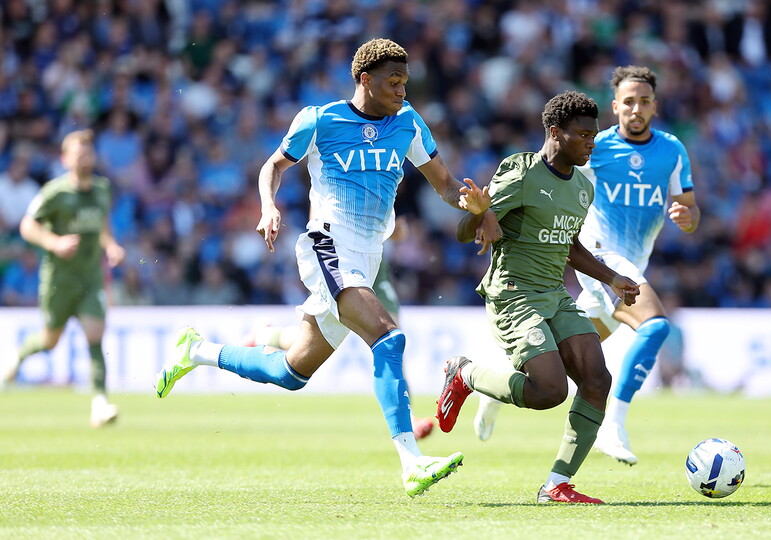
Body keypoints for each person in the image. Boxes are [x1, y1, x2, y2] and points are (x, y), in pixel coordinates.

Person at [153, 38, 492, 498]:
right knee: (389, 337)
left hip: (368, 257)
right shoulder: (320, 119)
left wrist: (469, 203)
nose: (402, 90)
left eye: (406, 82)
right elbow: (272, 166)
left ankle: (195, 351)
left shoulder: (408, 123)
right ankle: (411, 462)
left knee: (291, 373)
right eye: (393, 82)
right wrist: (268, 207)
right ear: (364, 79)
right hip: (327, 244)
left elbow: (446, 184)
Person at [472, 66, 700, 467]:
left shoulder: (672, 150)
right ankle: (615, 423)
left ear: (655, 107)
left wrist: (687, 216)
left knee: (571, 357)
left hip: (633, 262)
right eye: (628, 102)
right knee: (655, 324)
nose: (636, 109)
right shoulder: (594, 145)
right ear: (616, 106)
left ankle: (499, 387)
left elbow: (691, 209)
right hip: (600, 255)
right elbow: (551, 177)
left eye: (644, 102)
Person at [436, 91, 640, 504]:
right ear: (555, 132)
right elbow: (463, 230)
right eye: (582, 135)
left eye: (594, 135)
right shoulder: (523, 174)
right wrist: (479, 212)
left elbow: (570, 246)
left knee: (597, 379)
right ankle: (465, 374)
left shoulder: (582, 188)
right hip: (514, 295)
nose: (590, 143)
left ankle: (557, 484)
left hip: (553, 293)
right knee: (549, 391)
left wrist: (612, 278)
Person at [243, 213, 436, 440]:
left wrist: (393, 230)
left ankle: (408, 418)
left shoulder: (382, 178)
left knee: (394, 342)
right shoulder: (331, 183)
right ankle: (266, 335)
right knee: (308, 344)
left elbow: (394, 227)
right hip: (341, 266)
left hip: (376, 271)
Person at [0, 129, 126, 428]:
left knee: (95, 335)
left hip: (90, 277)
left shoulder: (102, 188)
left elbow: (103, 225)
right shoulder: (55, 193)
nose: (85, 157)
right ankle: (17, 357)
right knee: (50, 340)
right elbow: (27, 226)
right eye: (79, 153)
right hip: (59, 279)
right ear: (65, 158)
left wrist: (112, 246)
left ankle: (100, 403)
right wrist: (54, 243)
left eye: (89, 152)